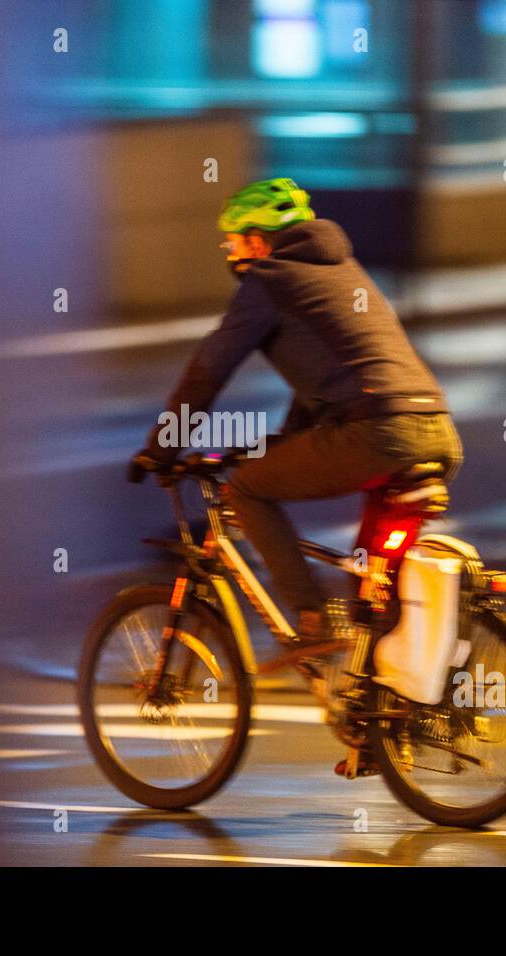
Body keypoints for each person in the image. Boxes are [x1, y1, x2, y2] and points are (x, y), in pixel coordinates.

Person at [131, 176, 462, 663]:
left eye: (234, 238)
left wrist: (160, 447)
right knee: (369, 584)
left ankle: (310, 617)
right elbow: (328, 378)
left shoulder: (268, 281)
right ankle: (381, 717)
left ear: (259, 240)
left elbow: (209, 369)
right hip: (434, 430)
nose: (230, 249)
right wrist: (277, 445)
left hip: (376, 434)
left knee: (246, 488)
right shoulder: (344, 272)